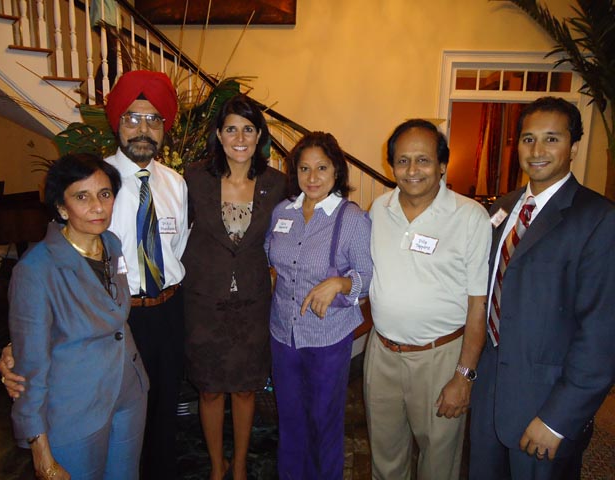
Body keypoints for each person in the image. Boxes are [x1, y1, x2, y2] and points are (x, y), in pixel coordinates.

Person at [0, 70, 189, 479]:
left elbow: (175, 251)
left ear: (164, 128)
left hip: (169, 313)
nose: (143, 128)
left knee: (161, 425)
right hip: (118, 318)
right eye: (133, 118)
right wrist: (18, 346)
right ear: (117, 122)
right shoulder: (92, 180)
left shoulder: (176, 184)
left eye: (154, 119)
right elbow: (49, 281)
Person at [469, 97, 615, 480]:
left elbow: (602, 333)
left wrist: (557, 419)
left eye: (551, 139)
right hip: (490, 394)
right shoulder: (502, 208)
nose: (537, 151)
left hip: (545, 402)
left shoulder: (598, 218)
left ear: (574, 147)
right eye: (528, 139)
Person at [7, 153, 148, 479]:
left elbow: (113, 314)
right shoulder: (36, 270)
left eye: (105, 194)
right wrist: (40, 452)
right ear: (60, 207)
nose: (98, 207)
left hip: (129, 392)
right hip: (75, 409)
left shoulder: (111, 244)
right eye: (81, 197)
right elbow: (30, 369)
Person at [365, 119, 491, 480]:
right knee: (384, 461)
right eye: (402, 161)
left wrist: (464, 375)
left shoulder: (469, 217)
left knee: (438, 463)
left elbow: (477, 304)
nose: (412, 170)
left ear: (441, 165)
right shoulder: (379, 209)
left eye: (423, 160)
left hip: (441, 358)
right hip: (383, 354)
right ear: (391, 165)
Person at [182, 94, 286, 480]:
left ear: (259, 136)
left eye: (248, 128)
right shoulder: (194, 179)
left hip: (252, 304)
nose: (239, 137)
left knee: (245, 389)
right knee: (209, 390)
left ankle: (240, 465)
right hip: (204, 303)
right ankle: (215, 465)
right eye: (231, 129)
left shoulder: (277, 184)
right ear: (219, 135)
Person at [265, 131, 373, 479]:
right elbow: (270, 255)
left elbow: (368, 277)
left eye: (322, 168)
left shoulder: (351, 218)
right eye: (304, 168)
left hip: (327, 338)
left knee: (324, 424)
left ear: (337, 172)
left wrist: (341, 283)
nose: (312, 178)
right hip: (283, 334)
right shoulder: (283, 212)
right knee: (290, 420)